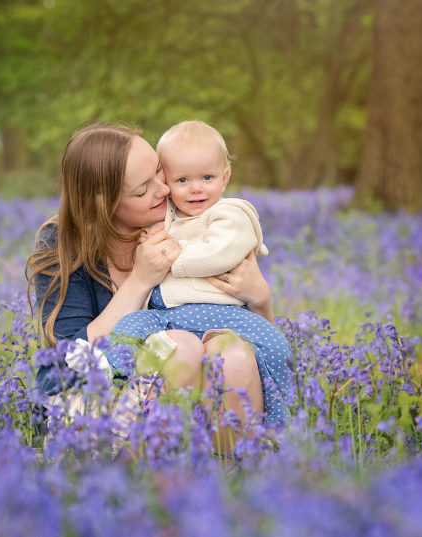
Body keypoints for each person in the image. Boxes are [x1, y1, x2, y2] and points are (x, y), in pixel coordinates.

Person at [26, 122, 277, 445]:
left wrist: (260, 299)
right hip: (90, 408)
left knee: (233, 353)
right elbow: (68, 361)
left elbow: (256, 337)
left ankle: (232, 481)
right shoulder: (61, 244)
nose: (164, 190)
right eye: (143, 189)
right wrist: (140, 280)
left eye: (161, 173)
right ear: (105, 204)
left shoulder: (191, 223)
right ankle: (147, 487)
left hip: (181, 403)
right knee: (179, 347)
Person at [104, 120, 291, 425]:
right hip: (168, 315)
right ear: (167, 181)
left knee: (275, 346)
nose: (196, 189)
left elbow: (220, 254)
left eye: (207, 177)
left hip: (226, 315)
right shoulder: (167, 217)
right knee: (128, 327)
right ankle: (110, 386)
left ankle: (278, 423)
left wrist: (173, 259)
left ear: (225, 177)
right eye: (182, 180)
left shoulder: (231, 214)